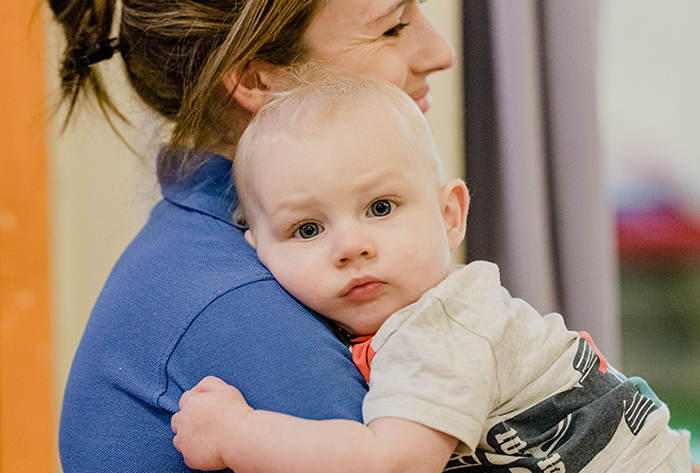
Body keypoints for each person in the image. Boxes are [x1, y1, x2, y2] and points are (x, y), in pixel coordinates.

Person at [171, 72, 693, 473]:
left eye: (380, 207)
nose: (352, 246)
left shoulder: (442, 325)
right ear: (256, 252)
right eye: (307, 229)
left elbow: (393, 463)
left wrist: (235, 434)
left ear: (450, 216)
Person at [48, 0, 455, 471]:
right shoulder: (238, 302)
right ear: (257, 80)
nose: (440, 52)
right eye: (393, 28)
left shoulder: (233, 255)